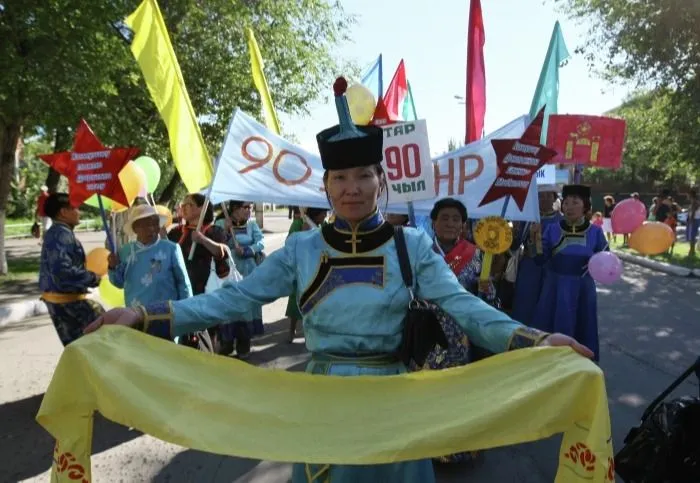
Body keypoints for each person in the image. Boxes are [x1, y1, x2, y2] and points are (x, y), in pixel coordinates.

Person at [86, 77, 592, 483]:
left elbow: (466, 308)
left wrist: (535, 339)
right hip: (323, 397)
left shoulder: (410, 246)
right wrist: (147, 314)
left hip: (396, 398)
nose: (352, 188)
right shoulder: (302, 250)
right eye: (340, 179)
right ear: (325, 187)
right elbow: (235, 299)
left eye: (363, 177)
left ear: (381, 181)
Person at [411, 197, 498, 465]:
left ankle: (460, 448)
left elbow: (489, 302)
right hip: (429, 334)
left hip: (462, 337)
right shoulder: (420, 252)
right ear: (433, 223)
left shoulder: (476, 254)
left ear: (463, 224)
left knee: (461, 391)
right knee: (427, 392)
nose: (450, 223)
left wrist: (487, 290)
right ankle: (425, 446)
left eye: (456, 219)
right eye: (444, 218)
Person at [532, 184, 607, 362]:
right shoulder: (552, 229)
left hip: (583, 288)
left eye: (575, 202)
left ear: (585, 206)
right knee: (552, 326)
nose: (569, 207)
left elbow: (605, 260)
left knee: (583, 324)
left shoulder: (595, 232)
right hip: (555, 288)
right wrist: (534, 240)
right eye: (566, 203)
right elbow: (539, 260)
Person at [107, 205, 192, 321]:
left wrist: (187, 312)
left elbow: (183, 284)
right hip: (136, 315)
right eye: (146, 225)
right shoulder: (125, 251)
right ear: (135, 228)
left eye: (155, 224)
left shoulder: (171, 248)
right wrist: (112, 266)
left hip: (167, 315)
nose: (151, 228)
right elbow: (118, 282)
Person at [39, 193, 104, 346]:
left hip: (59, 303)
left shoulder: (55, 233)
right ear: (63, 212)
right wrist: (93, 277)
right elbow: (63, 272)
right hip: (69, 305)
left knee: (80, 351)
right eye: (75, 208)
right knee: (97, 345)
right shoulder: (62, 235)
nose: (78, 212)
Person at [168, 193, 229, 351]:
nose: (184, 208)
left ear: (202, 209)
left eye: (189, 204)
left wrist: (202, 240)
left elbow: (222, 252)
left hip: (206, 290)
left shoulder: (213, 231)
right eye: (183, 204)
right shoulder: (175, 232)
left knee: (208, 333)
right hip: (182, 291)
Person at [216, 201, 265, 358]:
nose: (248, 210)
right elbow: (217, 243)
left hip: (248, 271)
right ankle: (227, 342)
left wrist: (248, 250)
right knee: (229, 304)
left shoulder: (252, 225)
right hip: (228, 271)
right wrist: (225, 230)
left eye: (250, 207)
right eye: (245, 207)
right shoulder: (221, 223)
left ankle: (244, 344)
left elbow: (261, 242)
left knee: (246, 306)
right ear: (235, 209)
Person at [511, 184, 562, 326]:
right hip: (529, 266)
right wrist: (514, 230)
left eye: (548, 195)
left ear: (554, 198)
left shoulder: (561, 221)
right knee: (525, 302)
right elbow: (514, 244)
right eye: (540, 196)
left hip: (551, 267)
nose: (544, 199)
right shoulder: (527, 219)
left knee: (548, 302)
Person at [285, 207, 328, 342]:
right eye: (323, 213)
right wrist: (303, 233)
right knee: (296, 300)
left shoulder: (324, 225)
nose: (325, 216)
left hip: (318, 267)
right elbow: (289, 243)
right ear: (317, 213)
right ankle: (291, 331)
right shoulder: (298, 223)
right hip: (301, 266)